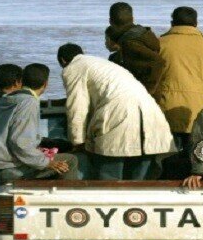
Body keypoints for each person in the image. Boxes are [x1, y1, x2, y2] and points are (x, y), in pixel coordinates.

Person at [57, 43, 175, 181]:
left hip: (118, 115)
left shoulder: (73, 68)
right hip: (151, 115)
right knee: (141, 182)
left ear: (62, 61)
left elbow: (76, 107)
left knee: (109, 177)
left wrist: (77, 142)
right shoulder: (101, 64)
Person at [0, 64, 79, 181]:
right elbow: (19, 142)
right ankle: (67, 198)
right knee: (70, 160)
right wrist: (46, 163)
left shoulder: (7, 99)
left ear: (22, 81)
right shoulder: (29, 102)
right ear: (45, 84)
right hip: (7, 167)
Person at [155, 6, 203, 153]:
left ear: (172, 23)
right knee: (193, 155)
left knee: (168, 154)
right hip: (197, 108)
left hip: (166, 105)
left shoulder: (160, 43)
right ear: (196, 23)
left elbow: (155, 78)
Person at [107, 2, 163, 93]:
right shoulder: (144, 36)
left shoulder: (130, 43)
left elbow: (157, 61)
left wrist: (146, 91)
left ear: (110, 21)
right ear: (132, 19)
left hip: (140, 98)